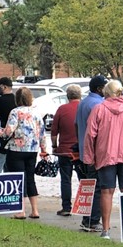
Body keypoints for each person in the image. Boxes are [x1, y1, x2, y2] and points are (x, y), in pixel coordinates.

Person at [82, 80, 123, 239]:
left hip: (106, 155)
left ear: (106, 93)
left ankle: (105, 229)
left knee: (106, 191)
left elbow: (90, 135)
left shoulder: (99, 109)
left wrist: (89, 157)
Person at [0, 87, 48, 219]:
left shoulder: (15, 112)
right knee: (30, 179)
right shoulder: (36, 112)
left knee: (18, 179)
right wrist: (44, 150)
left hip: (17, 149)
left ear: (17, 99)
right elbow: (42, 133)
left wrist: (2, 134)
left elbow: (9, 131)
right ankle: (35, 210)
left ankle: (20, 210)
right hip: (32, 149)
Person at [75, 75, 108, 232]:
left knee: (89, 186)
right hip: (94, 153)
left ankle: (86, 218)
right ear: (99, 88)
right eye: (105, 87)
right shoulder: (98, 104)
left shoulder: (83, 102)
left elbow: (76, 125)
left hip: (84, 150)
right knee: (97, 188)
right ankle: (92, 221)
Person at [49, 84, 82, 216]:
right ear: (80, 95)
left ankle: (66, 207)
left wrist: (54, 146)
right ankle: (85, 205)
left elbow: (53, 132)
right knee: (84, 179)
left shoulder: (62, 109)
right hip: (80, 151)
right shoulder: (83, 108)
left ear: (68, 96)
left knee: (66, 179)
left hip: (64, 150)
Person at [0, 77, 16, 170]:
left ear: (4, 87)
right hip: (14, 139)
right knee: (10, 168)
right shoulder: (16, 100)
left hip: (1, 137)